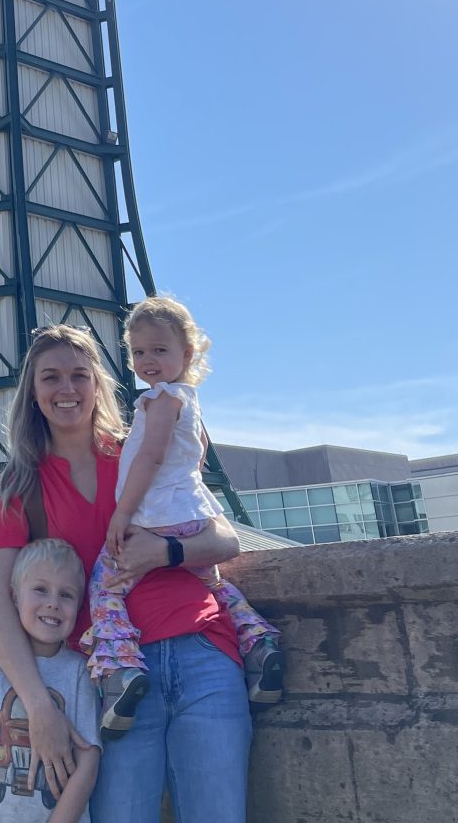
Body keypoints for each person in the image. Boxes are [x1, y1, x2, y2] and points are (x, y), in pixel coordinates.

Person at [0, 322, 252, 823]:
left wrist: (162, 552)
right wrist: (39, 707)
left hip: (202, 651)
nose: (67, 390)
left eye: (80, 376)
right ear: (32, 392)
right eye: (51, 378)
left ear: (98, 382)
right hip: (114, 682)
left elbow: (226, 540)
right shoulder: (22, 485)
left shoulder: (143, 448)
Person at [82, 296, 284, 737]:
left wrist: (123, 513)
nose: (147, 360)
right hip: (191, 513)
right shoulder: (189, 401)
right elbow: (198, 455)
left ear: (187, 354)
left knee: (105, 585)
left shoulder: (159, 402)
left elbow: (151, 457)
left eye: (159, 350)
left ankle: (120, 669)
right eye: (138, 352)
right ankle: (257, 642)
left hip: (155, 517)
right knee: (211, 582)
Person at [0, 538, 101, 822]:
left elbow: (88, 762)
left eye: (66, 595)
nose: (53, 603)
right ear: (14, 597)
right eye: (40, 590)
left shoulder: (81, 672)